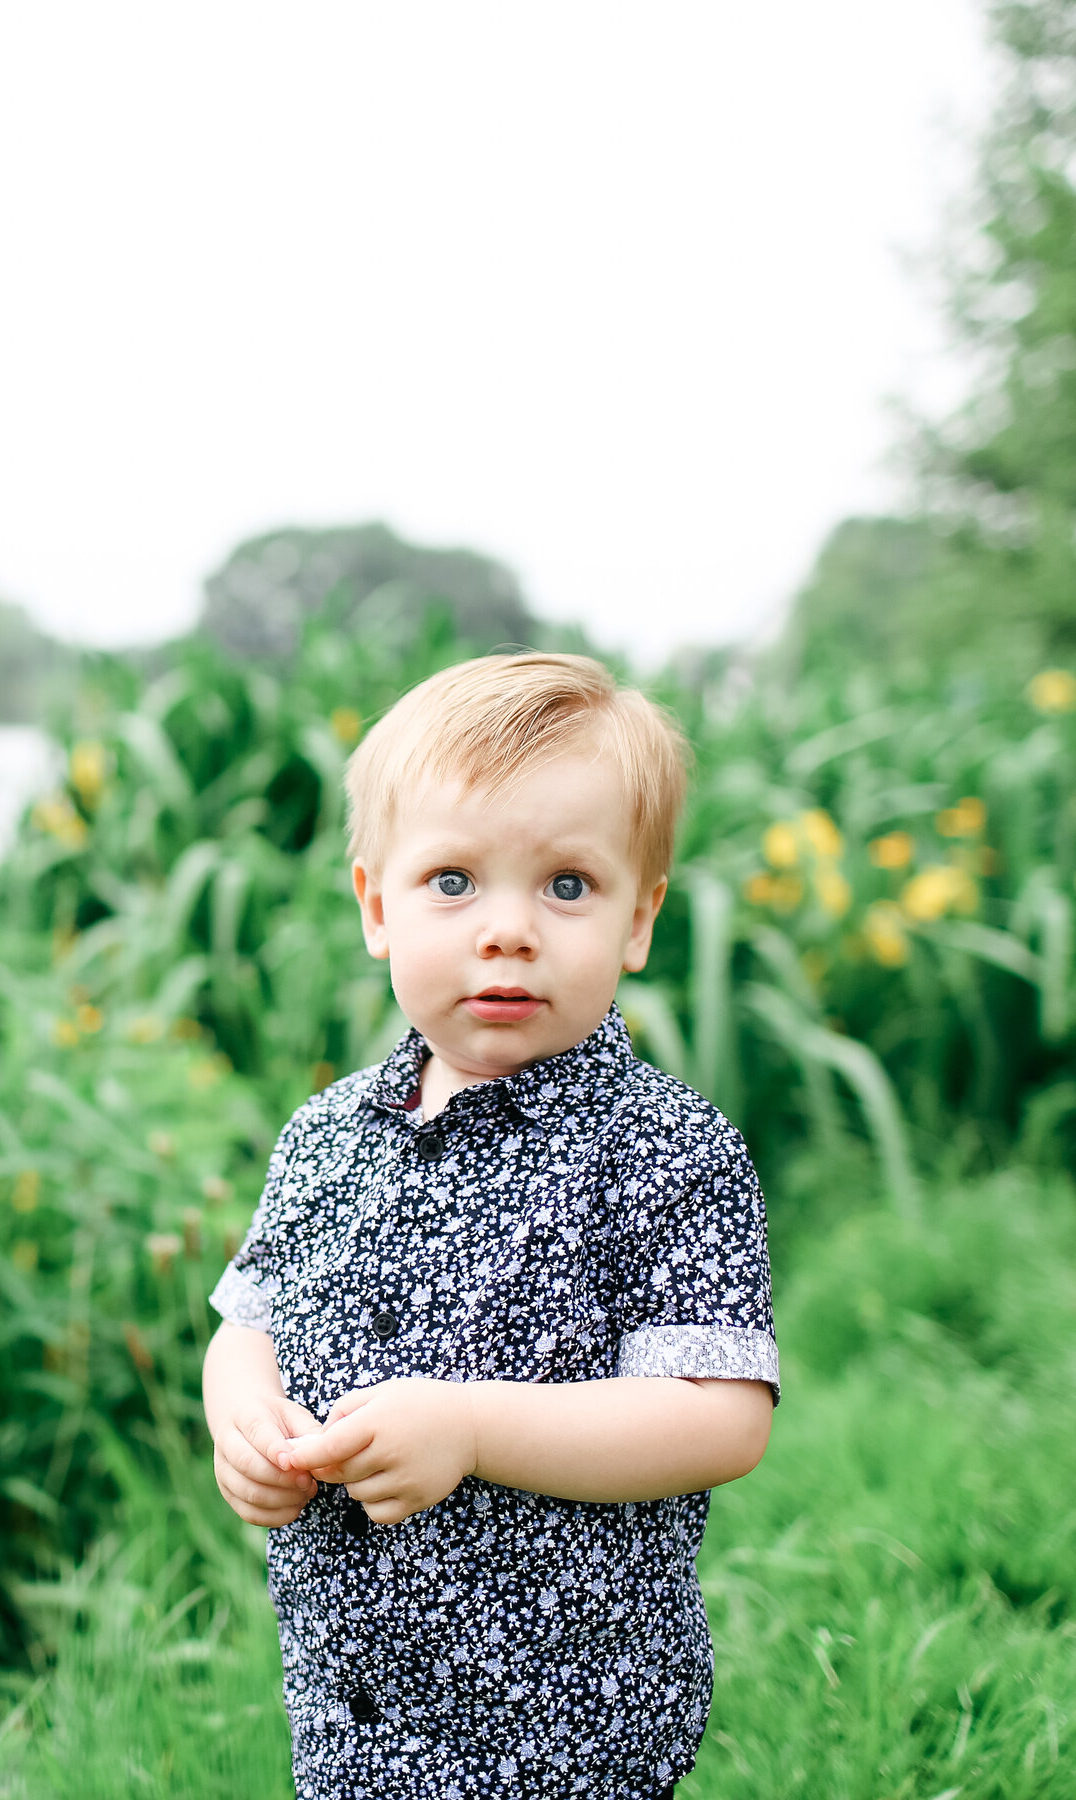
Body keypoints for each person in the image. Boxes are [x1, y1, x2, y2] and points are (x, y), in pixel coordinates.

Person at [201, 652, 779, 1799]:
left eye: (567, 885)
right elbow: (246, 1317)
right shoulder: (324, 1135)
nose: (507, 930)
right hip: (354, 1701)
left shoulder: (664, 1150)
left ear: (638, 919)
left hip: (567, 1717)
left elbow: (719, 1418)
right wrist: (243, 1420)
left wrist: (469, 1427)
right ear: (377, 907)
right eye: (454, 882)